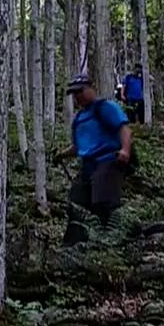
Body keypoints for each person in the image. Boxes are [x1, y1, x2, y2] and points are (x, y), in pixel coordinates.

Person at [57, 73, 132, 245]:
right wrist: (61, 154)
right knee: (76, 202)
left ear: (91, 88)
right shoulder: (79, 119)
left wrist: (125, 150)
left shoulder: (105, 107)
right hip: (88, 164)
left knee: (103, 201)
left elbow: (125, 129)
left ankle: (112, 241)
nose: (78, 97)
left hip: (108, 160)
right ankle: (74, 245)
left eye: (80, 91)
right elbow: (77, 147)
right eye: (74, 94)